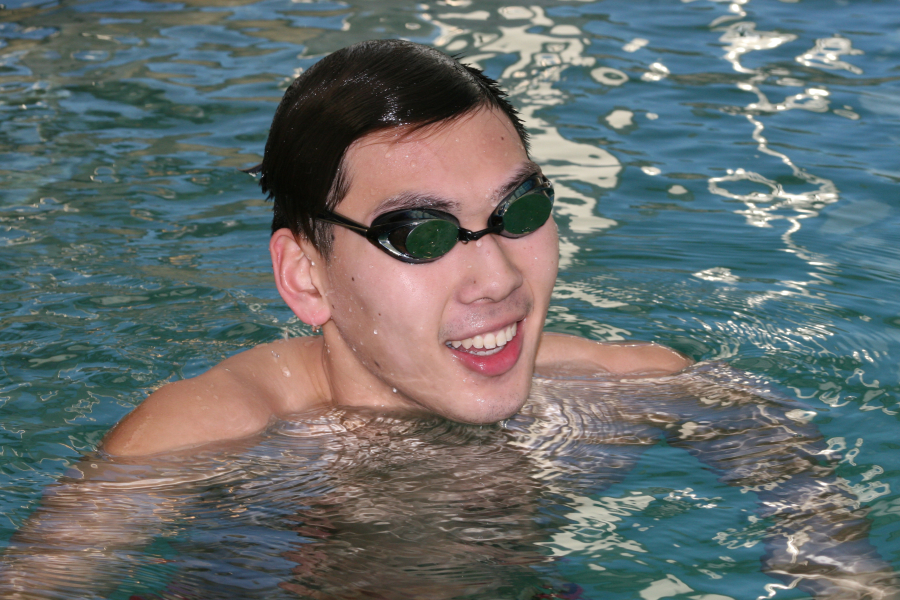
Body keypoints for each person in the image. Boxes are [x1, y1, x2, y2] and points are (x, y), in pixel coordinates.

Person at [101, 39, 691, 457]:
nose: (498, 277)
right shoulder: (204, 442)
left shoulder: (631, 389)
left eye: (520, 210)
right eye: (420, 234)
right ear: (307, 277)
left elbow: (783, 468)